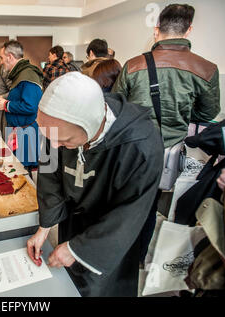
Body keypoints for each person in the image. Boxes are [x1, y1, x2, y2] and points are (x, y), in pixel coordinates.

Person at [26, 72, 163, 296]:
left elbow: (130, 213)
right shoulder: (58, 130)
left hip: (109, 235)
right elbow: (50, 175)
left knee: (100, 288)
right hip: (74, 220)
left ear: (92, 127)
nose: (55, 145)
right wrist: (45, 227)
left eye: (65, 141)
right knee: (69, 284)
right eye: (49, 137)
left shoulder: (142, 145)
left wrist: (78, 249)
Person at [112, 3, 220, 262]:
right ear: (189, 29)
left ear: (157, 29)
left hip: (130, 150)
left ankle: (114, 253)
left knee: (122, 201)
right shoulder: (206, 69)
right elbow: (207, 114)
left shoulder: (134, 65)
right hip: (167, 155)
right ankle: (137, 259)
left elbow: (115, 107)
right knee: (150, 207)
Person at [0, 40, 43, 171]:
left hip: (26, 133)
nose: (1, 61)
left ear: (10, 57)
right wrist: (6, 100)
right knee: (18, 170)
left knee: (23, 172)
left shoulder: (28, 75)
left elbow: (31, 106)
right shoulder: (20, 74)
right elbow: (19, 97)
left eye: (2, 57)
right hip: (19, 131)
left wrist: (6, 105)